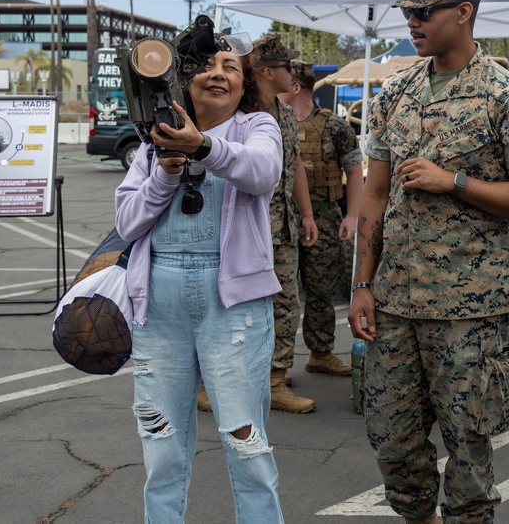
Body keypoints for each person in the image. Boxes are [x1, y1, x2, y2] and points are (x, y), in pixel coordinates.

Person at [348, 0, 509, 524]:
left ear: (463, 12)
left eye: (423, 11)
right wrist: (361, 283)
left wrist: (456, 182)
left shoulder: (507, 98)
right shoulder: (397, 91)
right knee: (392, 442)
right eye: (407, 11)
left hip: (469, 310)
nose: (411, 21)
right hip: (394, 302)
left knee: (468, 453)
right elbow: (374, 192)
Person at [116, 41, 285, 522]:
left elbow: (262, 171)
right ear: (183, 84)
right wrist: (164, 174)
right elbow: (127, 224)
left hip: (234, 305)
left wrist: (202, 147)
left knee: (246, 444)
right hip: (158, 303)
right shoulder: (155, 137)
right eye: (206, 67)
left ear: (244, 84)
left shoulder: (258, 126)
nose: (218, 74)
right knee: (162, 445)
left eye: (231, 68)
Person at [278, 62, 363, 377]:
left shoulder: (336, 126)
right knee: (281, 294)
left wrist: (352, 215)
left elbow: (354, 172)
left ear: (296, 86)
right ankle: (279, 367)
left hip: (325, 215)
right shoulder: (272, 123)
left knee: (320, 289)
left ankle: (321, 353)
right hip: (283, 216)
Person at [249, 34, 320, 413]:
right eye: (286, 66)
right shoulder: (236, 113)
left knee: (285, 304)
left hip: (282, 229)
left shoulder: (286, 115)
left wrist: (307, 214)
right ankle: (206, 383)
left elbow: (294, 171)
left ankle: (275, 379)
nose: (292, 72)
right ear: (265, 71)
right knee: (230, 306)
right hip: (245, 229)